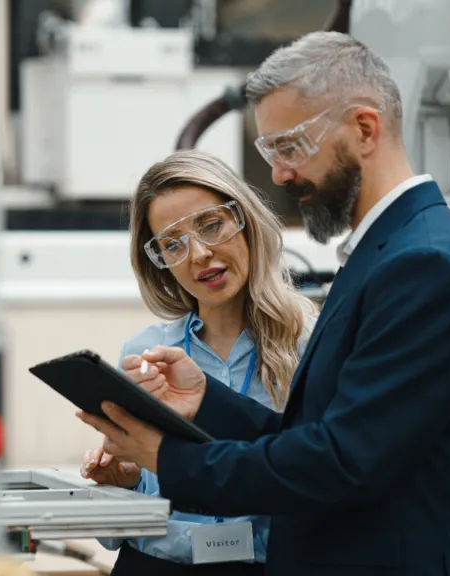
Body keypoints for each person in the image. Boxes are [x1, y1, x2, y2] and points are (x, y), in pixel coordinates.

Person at [78, 31, 450, 576]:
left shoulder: (424, 263)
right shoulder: (385, 253)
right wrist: (207, 398)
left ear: (364, 129)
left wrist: (169, 458)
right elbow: (317, 439)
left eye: (289, 147)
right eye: (270, 152)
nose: (279, 174)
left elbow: (341, 463)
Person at [78, 149, 317, 575]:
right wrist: (126, 484)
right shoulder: (145, 353)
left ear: (245, 222)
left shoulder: (309, 342)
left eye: (211, 226)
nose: (199, 254)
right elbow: (114, 535)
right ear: (160, 265)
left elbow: (322, 484)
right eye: (173, 244)